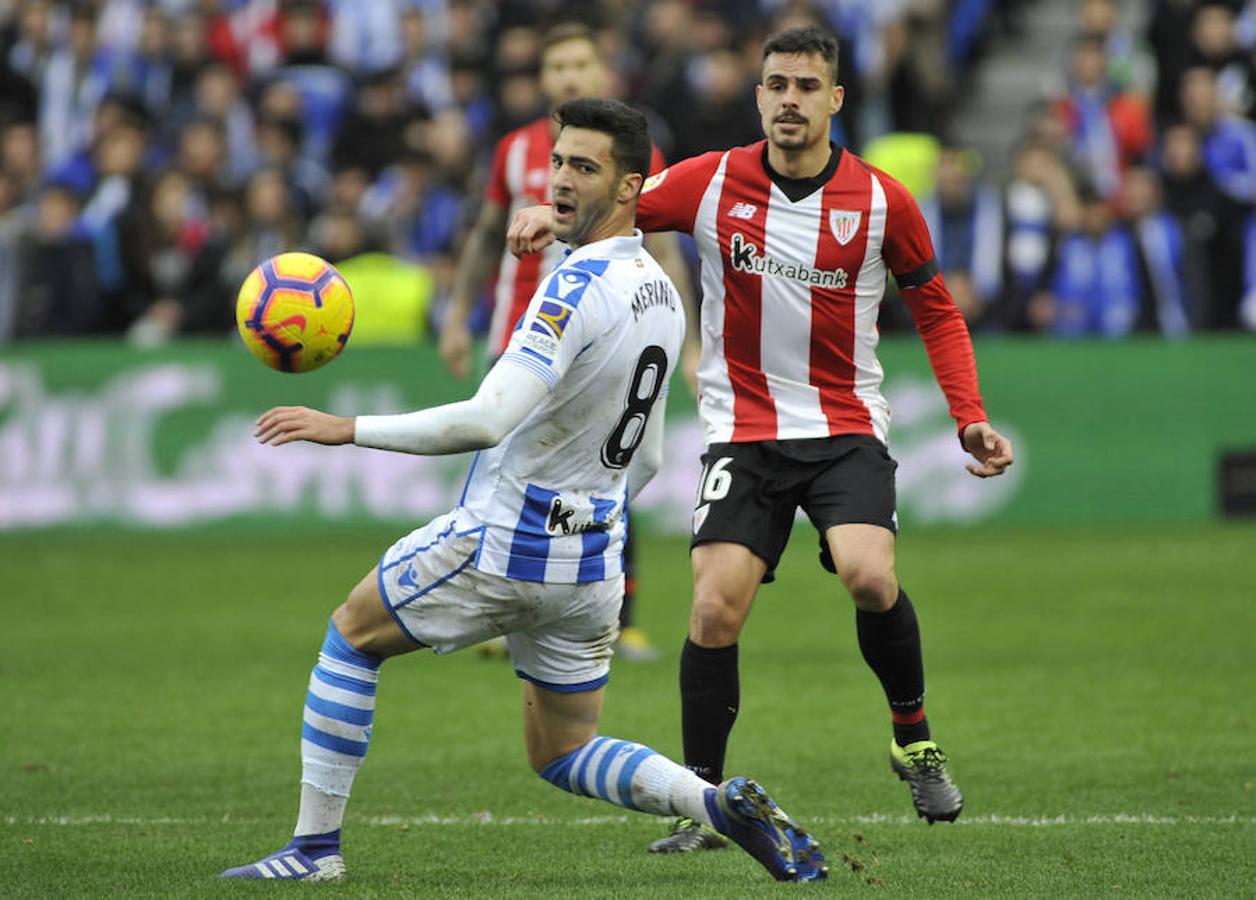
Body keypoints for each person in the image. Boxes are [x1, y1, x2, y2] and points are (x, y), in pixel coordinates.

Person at [220, 98, 827, 884]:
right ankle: (712, 803)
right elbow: (644, 461)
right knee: (564, 751)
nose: (562, 182)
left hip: (506, 539)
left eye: (585, 167)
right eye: (559, 163)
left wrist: (346, 427)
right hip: (592, 564)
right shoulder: (663, 293)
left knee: (352, 634)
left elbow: (485, 419)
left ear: (632, 187)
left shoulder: (574, 289)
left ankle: (312, 852)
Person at [507, 26, 1014, 854]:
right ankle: (705, 805)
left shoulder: (883, 201)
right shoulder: (710, 183)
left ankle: (913, 737)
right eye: (776, 84)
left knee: (869, 577)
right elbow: (618, 205)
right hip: (742, 433)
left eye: (806, 87)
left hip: (845, 425)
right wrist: (553, 217)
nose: (789, 99)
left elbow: (936, 309)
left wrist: (969, 415)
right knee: (712, 610)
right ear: (759, 96)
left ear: (835, 100)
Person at [440, 22, 699, 663]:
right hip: (519, 332)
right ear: (543, 78)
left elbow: (664, 248)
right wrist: (454, 318)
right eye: (556, 67)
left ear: (600, 73)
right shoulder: (512, 152)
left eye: (580, 64)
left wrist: (686, 342)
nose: (568, 77)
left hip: (605, 337)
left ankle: (620, 612)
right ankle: (496, 606)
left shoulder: (637, 154)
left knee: (603, 467)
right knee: (498, 464)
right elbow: (482, 235)